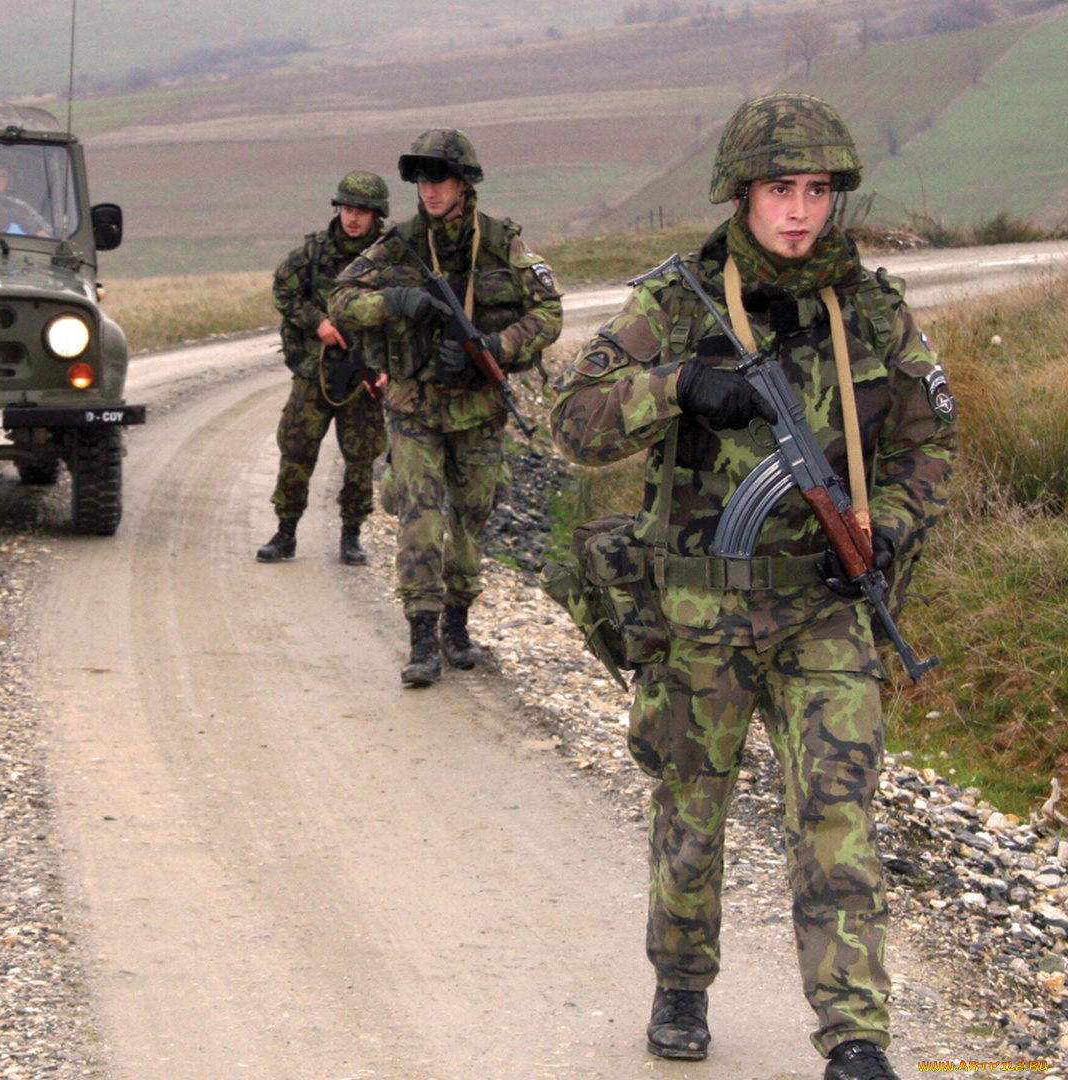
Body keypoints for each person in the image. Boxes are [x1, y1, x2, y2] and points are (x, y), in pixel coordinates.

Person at [549, 94, 955, 1080]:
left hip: (823, 609)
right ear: (743, 194)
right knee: (694, 806)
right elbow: (576, 418)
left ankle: (855, 1035)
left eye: (817, 191)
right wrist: (680, 384)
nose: (801, 212)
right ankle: (682, 979)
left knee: (839, 815)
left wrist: (880, 532)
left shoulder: (869, 310)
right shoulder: (678, 301)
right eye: (782, 190)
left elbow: (926, 446)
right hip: (702, 611)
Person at [330, 129, 563, 686]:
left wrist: (495, 347)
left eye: (440, 178)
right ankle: (421, 637)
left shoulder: (503, 242)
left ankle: (457, 624)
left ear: (465, 183)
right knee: (420, 518)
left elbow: (549, 313)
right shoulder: (401, 243)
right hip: (414, 405)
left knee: (472, 518)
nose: (429, 190)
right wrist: (393, 302)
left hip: (479, 410)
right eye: (422, 179)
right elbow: (341, 300)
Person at [258, 170, 389, 565]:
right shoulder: (314, 252)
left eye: (362, 211)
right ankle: (285, 533)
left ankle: (352, 535)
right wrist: (317, 322)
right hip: (314, 371)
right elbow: (283, 288)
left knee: (361, 456)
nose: (353, 218)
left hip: (361, 373)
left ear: (376, 215)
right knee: (296, 451)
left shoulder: (389, 256)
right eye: (348, 208)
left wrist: (387, 368)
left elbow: (404, 315)